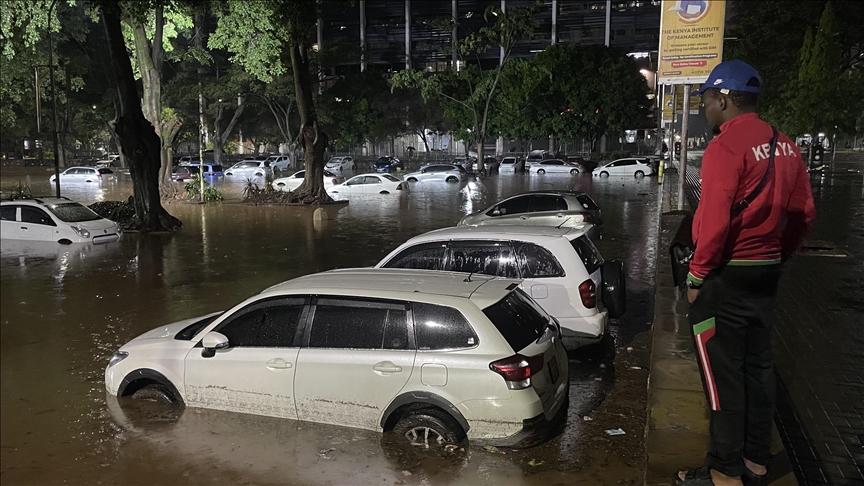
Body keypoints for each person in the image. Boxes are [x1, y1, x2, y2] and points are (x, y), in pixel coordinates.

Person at [675, 60, 817, 486]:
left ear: (723, 98)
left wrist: (697, 275)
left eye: (706, 100)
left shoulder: (726, 147)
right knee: (758, 368)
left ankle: (723, 470)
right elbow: (804, 214)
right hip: (765, 273)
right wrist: (779, 254)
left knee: (723, 377)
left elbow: (715, 221)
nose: (705, 109)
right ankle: (756, 460)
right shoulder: (785, 144)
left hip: (726, 276)